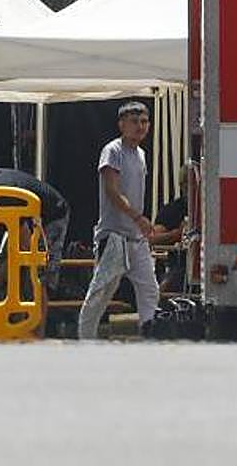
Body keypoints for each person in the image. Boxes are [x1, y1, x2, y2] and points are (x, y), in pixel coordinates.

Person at [78, 101, 159, 339]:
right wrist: (138, 217)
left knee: (149, 290)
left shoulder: (141, 154)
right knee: (101, 292)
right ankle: (86, 341)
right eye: (134, 122)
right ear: (122, 125)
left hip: (136, 238)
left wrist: (141, 224)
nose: (140, 127)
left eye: (144, 121)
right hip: (114, 236)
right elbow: (112, 191)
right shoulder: (112, 150)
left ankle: (149, 336)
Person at [0, 168, 70, 311]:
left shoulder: (3, 196)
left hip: (50, 216)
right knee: (11, 269)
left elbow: (23, 244)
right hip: (22, 219)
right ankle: (13, 323)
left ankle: (36, 332)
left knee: (37, 275)